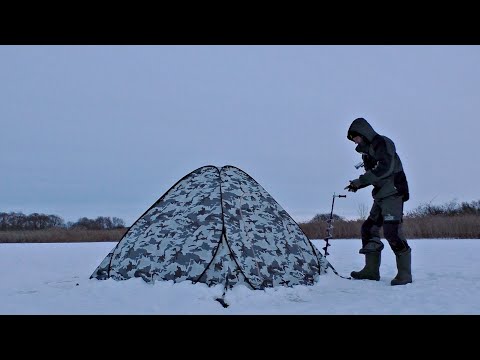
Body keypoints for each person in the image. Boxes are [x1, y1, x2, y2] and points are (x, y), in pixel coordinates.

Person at [344, 117, 412, 286]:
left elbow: (385, 168)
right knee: (368, 229)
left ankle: (404, 274)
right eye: (353, 140)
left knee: (392, 232)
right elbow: (374, 176)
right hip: (381, 195)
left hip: (394, 192)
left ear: (363, 132)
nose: (355, 142)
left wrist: (360, 181)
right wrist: (357, 185)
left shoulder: (382, 143)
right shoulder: (367, 154)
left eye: (356, 138)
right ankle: (371, 270)